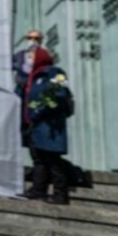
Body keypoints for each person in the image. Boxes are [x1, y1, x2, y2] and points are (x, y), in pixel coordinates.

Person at [22, 47, 74, 205]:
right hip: (36, 126)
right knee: (39, 159)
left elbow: (59, 95)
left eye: (31, 57)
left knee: (52, 159)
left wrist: (40, 111)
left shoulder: (55, 72)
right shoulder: (34, 76)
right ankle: (38, 190)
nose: (28, 60)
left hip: (50, 125)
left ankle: (60, 194)